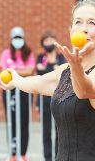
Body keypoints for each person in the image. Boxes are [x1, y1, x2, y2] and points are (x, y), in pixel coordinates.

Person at [0, 0, 95, 161]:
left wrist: (76, 66)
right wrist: (15, 79)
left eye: (91, 23)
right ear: (71, 31)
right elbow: (38, 84)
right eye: (78, 22)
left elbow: (84, 90)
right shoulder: (64, 71)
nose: (84, 29)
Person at [0, 26, 36, 161]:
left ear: (23, 38)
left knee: (24, 121)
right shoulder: (6, 53)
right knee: (12, 121)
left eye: (20, 37)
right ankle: (13, 154)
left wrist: (13, 71)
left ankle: (23, 153)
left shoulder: (29, 53)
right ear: (11, 39)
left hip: (25, 90)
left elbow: (31, 70)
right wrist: (22, 71)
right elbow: (3, 73)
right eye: (15, 38)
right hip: (10, 92)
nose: (17, 40)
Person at [36, 30, 65, 161]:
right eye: (46, 41)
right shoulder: (40, 58)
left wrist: (48, 69)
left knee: (59, 131)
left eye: (51, 40)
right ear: (43, 43)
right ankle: (47, 158)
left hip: (58, 97)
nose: (49, 43)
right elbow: (40, 77)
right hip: (44, 98)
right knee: (46, 131)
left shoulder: (61, 57)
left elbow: (62, 74)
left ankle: (58, 157)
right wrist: (53, 68)